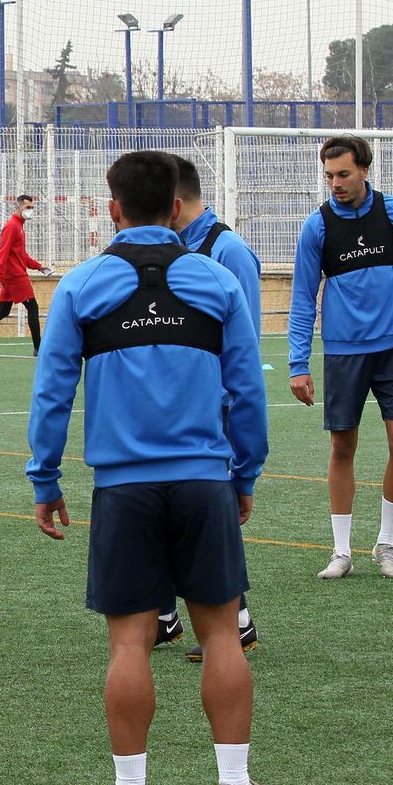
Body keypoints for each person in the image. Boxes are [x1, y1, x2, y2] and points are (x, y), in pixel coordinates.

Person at [28, 150, 275, 785]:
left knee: (129, 642)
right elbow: (247, 390)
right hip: (203, 483)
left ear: (112, 210)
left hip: (124, 489)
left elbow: (52, 393)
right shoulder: (216, 281)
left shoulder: (81, 286)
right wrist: (245, 473)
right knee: (221, 633)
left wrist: (45, 478)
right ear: (176, 209)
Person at [288, 135, 393, 580]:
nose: (335, 183)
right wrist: (298, 363)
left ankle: (386, 543)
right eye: (329, 175)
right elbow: (302, 298)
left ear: (364, 170)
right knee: (342, 445)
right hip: (344, 352)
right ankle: (342, 550)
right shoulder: (318, 227)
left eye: (343, 174)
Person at [158, 154, 263, 662]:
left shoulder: (229, 251)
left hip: (212, 411)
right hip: (175, 408)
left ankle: (236, 619)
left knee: (208, 514)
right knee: (162, 505)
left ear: (174, 201)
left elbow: (244, 345)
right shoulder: (172, 248)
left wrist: (225, 409)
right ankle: (161, 612)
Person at [0, 194, 51, 357]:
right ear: (18, 207)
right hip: (15, 276)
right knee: (32, 307)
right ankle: (39, 348)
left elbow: (21, 254)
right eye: (28, 207)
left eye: (32, 208)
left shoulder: (19, 226)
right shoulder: (12, 226)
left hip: (11, 276)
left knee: (3, 310)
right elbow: (2, 253)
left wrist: (39, 267)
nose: (31, 210)